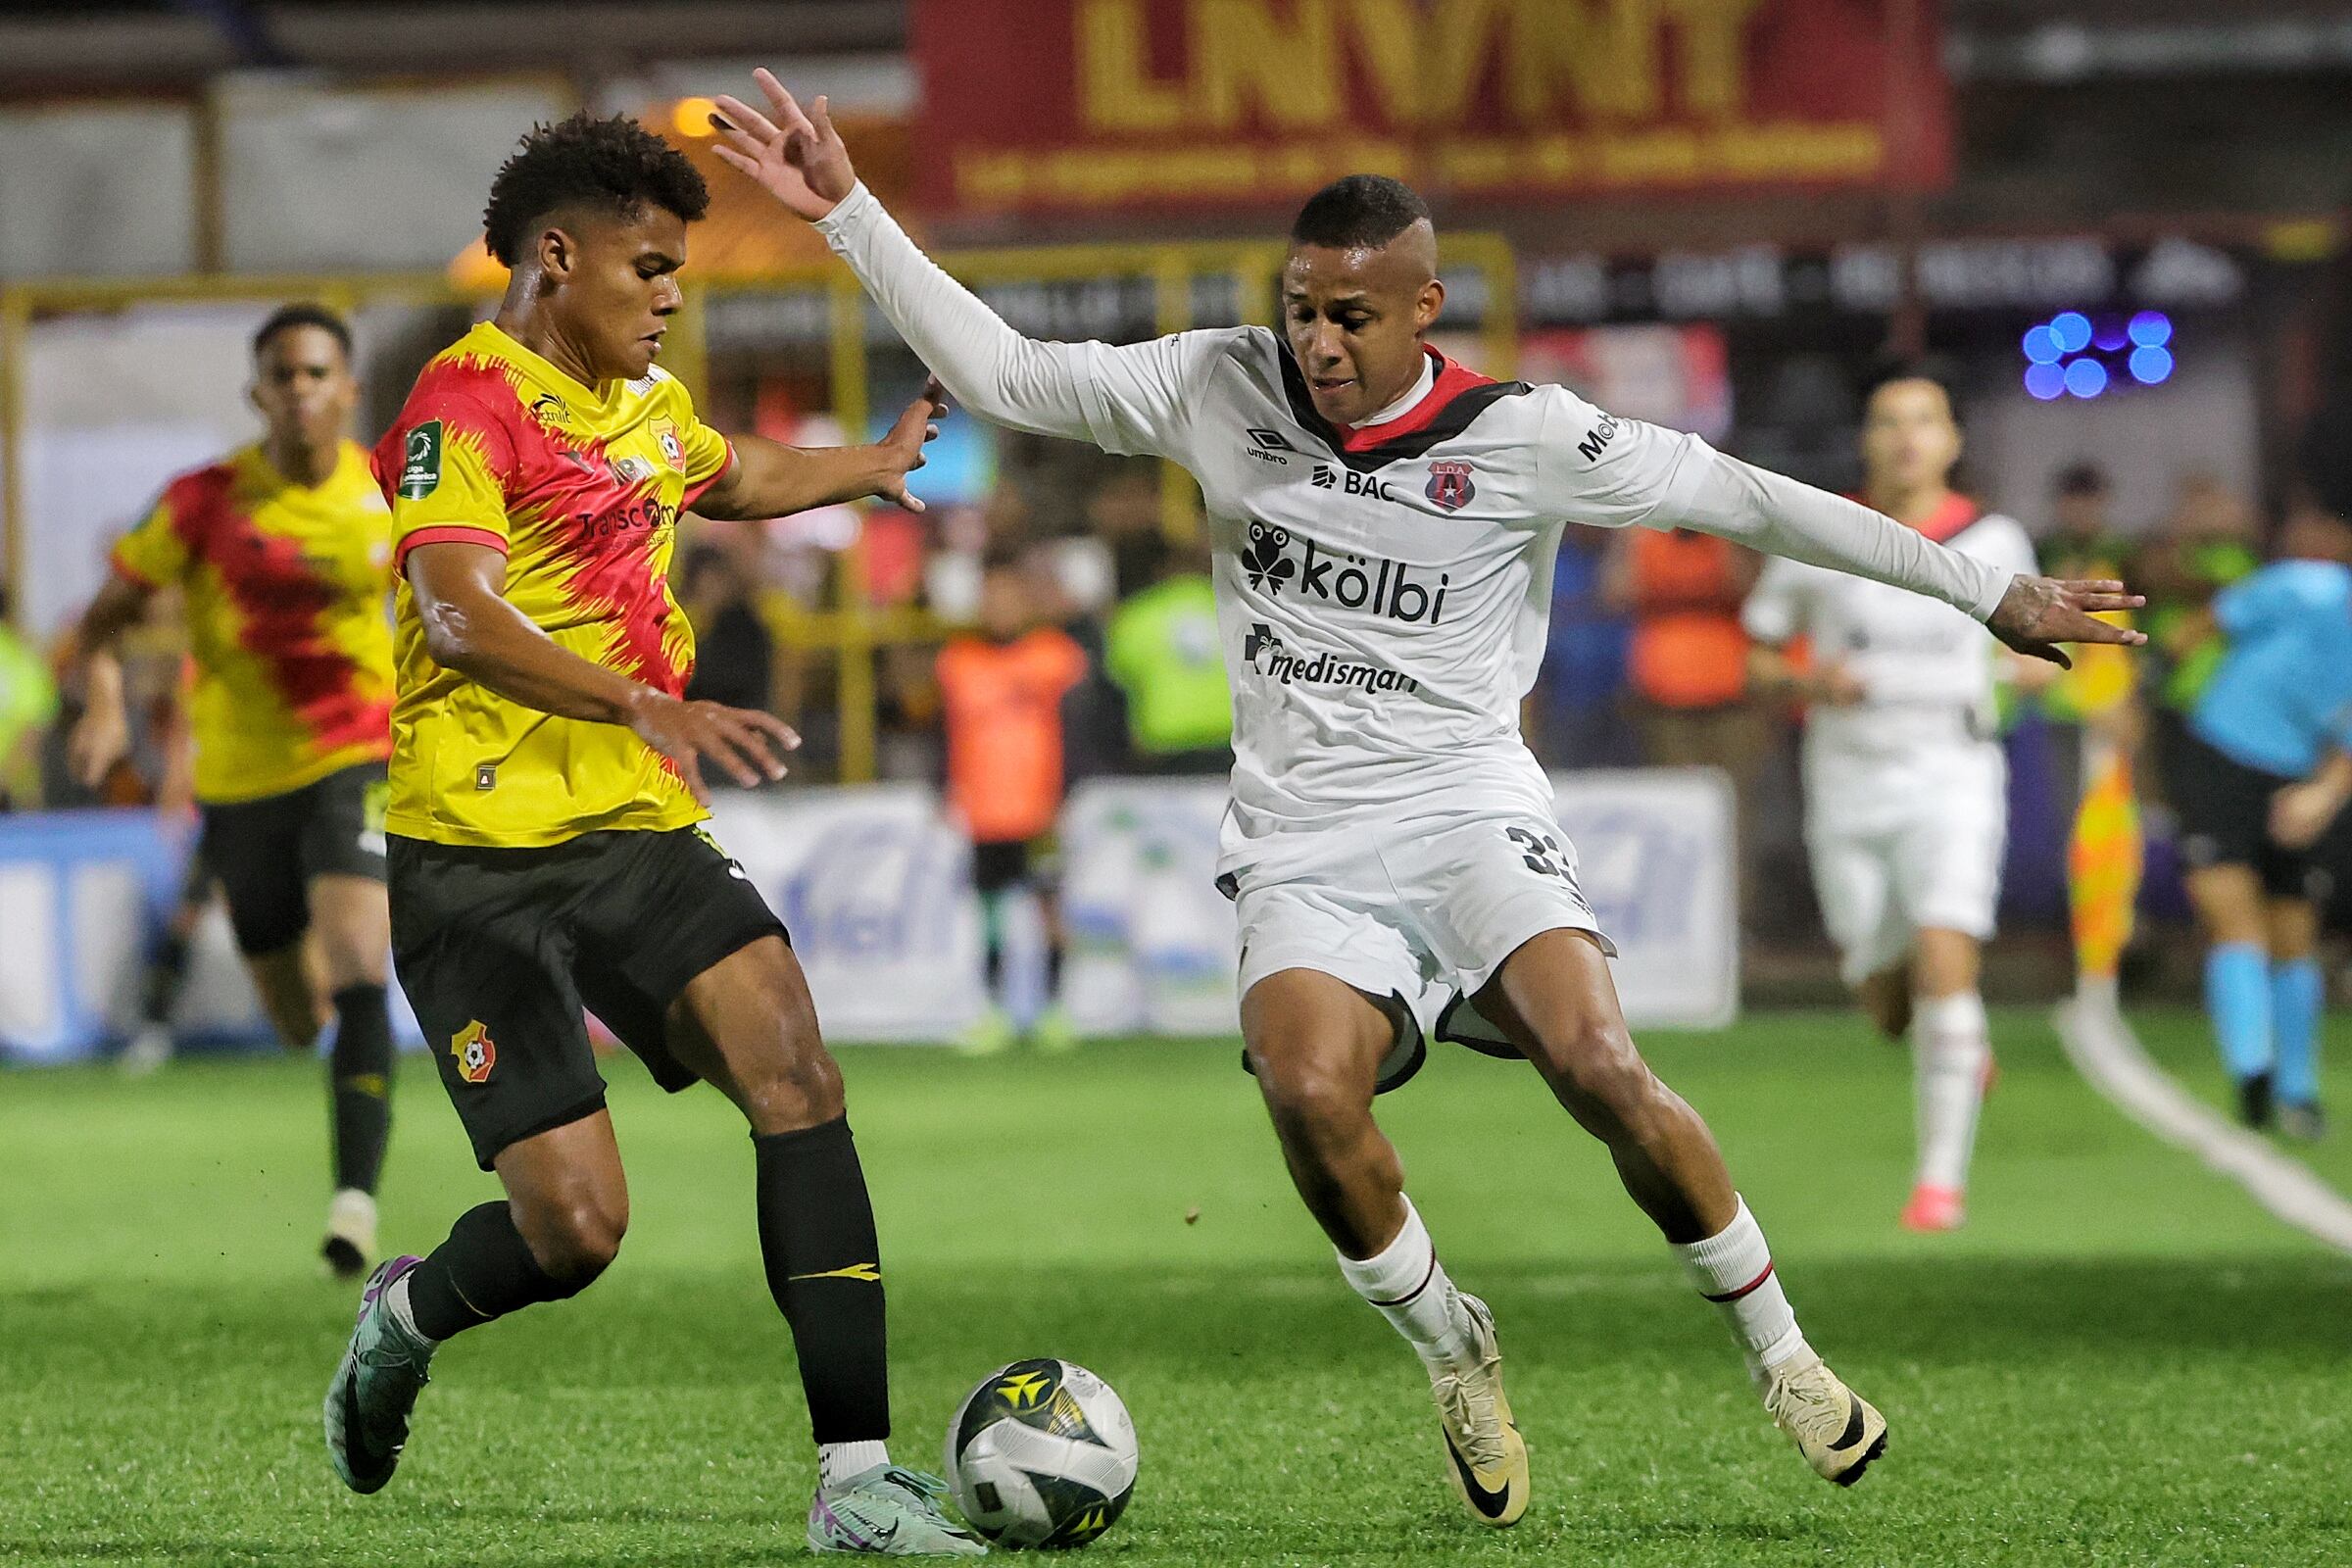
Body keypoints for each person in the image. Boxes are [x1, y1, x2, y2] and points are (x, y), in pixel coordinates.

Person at [712, 71, 2138, 1526]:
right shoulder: (1219, 386)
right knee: (1305, 1089)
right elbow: (1012, 372)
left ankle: (1783, 1357)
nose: (1318, 343)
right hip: (1304, 842)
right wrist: (850, 214)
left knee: (1598, 1064)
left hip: (1467, 808)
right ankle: (1456, 1347)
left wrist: (1988, 591)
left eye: (1351, 316)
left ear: (1423, 310)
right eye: (1301, 308)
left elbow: (1758, 501)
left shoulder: (1527, 437)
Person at [318, 112, 982, 1558]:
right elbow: (456, 609)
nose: (672, 295)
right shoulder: (459, 407)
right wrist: (646, 699)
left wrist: (869, 464)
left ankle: (855, 1484)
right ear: (558, 259)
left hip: (635, 827)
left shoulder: (647, 403)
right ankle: (409, 1315)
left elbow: (726, 477)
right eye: (651, 268)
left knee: (796, 1070)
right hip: (472, 862)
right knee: (576, 1234)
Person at [64, 303, 399, 1277]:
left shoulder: (389, 496)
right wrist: (101, 706)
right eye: (281, 376)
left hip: (357, 758)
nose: (299, 391)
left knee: (357, 956)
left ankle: (353, 1206)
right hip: (241, 782)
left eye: (315, 373)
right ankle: (332, 1043)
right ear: (257, 393)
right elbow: (106, 617)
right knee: (295, 1010)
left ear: (348, 389)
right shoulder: (203, 501)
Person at [1742, 368, 2045, 1233]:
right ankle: (1956, 1041)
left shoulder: (1995, 538)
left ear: (1952, 438)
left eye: (1924, 420)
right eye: (1887, 421)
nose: (1906, 437)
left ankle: (1939, 1186)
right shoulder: (1820, 533)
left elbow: (2027, 647)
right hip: (1848, 785)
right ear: (1867, 440)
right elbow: (1759, 656)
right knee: (1884, 998)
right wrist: (1808, 676)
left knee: (1948, 958)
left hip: (1954, 775)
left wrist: (2023, 666)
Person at [2172, 449, 2352, 1142]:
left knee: (2287, 934)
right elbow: (2211, 620)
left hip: (2298, 776)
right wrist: (2158, 675)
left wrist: (2323, 795)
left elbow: (2205, 625)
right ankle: (2259, 1074)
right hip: (2225, 753)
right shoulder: (2307, 587)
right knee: (2244, 922)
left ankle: (2290, 1084)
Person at [936, 547, 1088, 1054]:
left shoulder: (1056, 655)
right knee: (993, 912)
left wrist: (1069, 792)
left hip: (1040, 808)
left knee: (1049, 907)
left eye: (1009, 597)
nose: (1000, 607)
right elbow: (944, 734)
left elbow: (1080, 729)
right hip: (985, 811)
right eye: (990, 597)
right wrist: (944, 789)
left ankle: (1052, 1010)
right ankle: (997, 1012)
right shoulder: (957, 662)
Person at [1103, 531, 1232, 774]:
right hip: (1228, 737)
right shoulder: (1233, 609)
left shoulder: (1136, 614)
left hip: (1166, 740)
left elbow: (1119, 676)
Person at [678, 543, 776, 720]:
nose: (710, 590)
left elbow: (729, 681)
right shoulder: (682, 619)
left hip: (733, 720)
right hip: (693, 720)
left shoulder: (744, 627)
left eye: (715, 581)